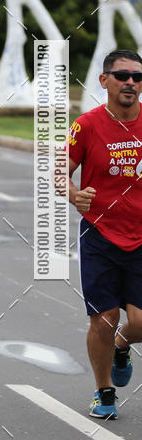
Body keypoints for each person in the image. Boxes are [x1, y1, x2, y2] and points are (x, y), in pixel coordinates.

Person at [65, 49, 142, 419]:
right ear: (104, 81)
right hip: (100, 234)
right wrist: (73, 194)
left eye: (137, 77)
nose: (130, 82)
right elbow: (59, 170)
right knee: (103, 319)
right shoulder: (88, 125)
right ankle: (104, 391)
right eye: (122, 75)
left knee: (136, 323)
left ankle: (124, 343)